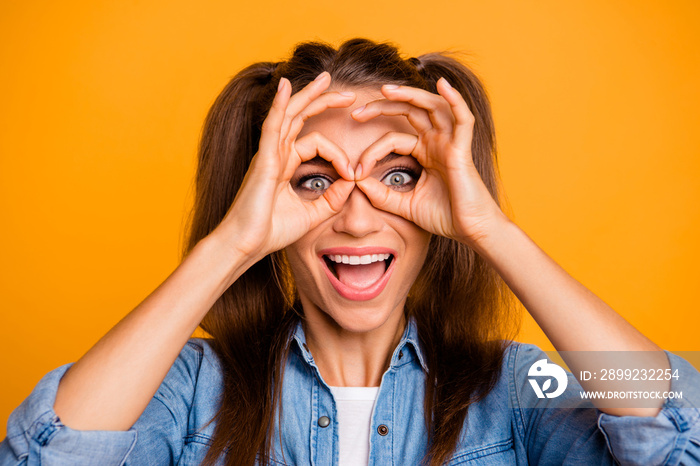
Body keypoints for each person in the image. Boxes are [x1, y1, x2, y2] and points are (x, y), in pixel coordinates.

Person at [1, 38, 699, 466]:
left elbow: (678, 439)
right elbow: (51, 459)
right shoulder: (192, 392)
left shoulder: (511, 391)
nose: (360, 220)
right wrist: (234, 243)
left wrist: (491, 231)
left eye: (398, 175)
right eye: (315, 179)